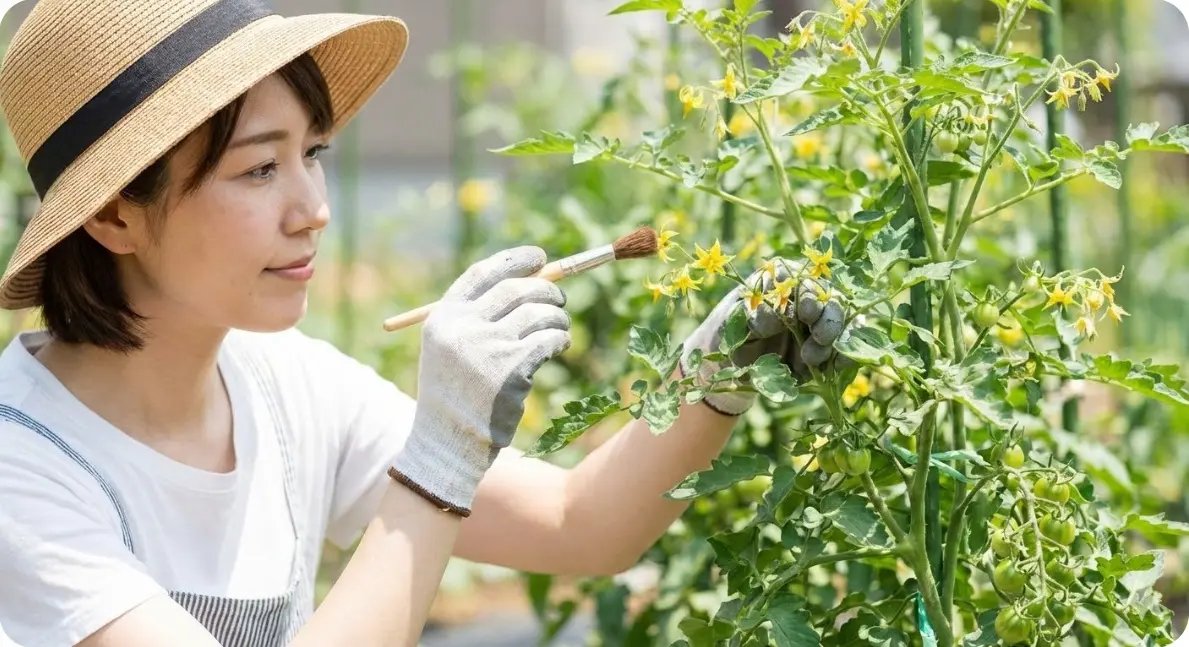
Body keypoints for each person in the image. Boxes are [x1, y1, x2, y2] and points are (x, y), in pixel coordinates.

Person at [0, 1, 849, 646]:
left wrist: (714, 378)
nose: (313, 209)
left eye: (313, 155)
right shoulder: (24, 470)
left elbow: (579, 525)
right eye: (258, 168)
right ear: (114, 217)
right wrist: (440, 451)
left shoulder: (283, 381)